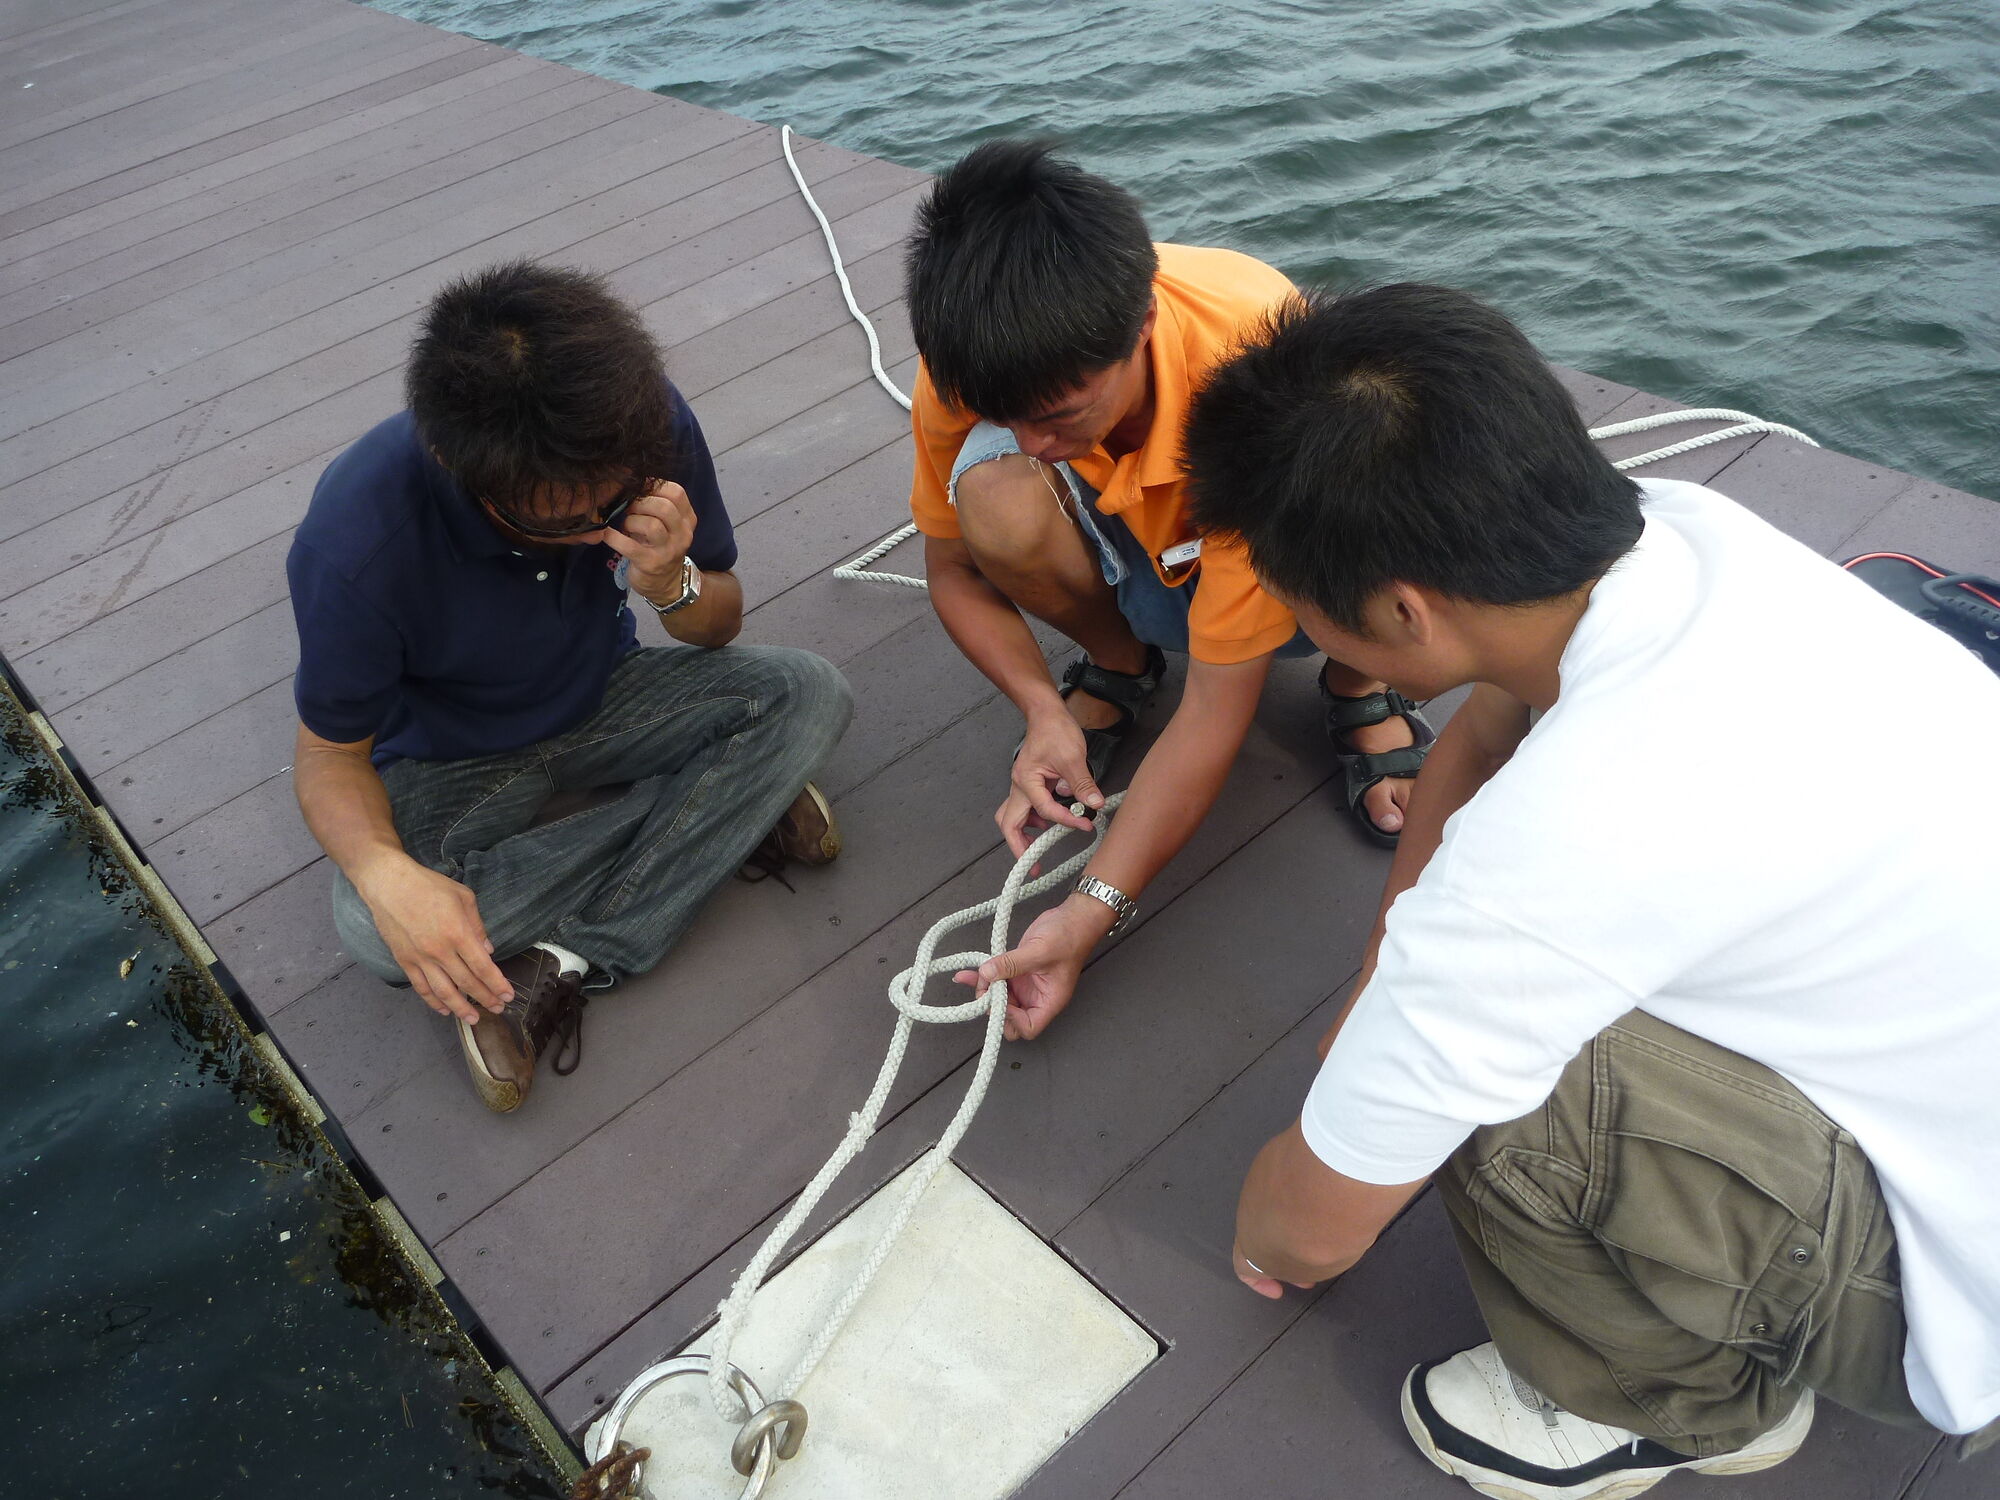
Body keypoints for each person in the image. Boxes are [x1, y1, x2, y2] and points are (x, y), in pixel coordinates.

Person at [1184, 284, 2000, 1498]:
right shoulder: (1680, 535)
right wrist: (1377, 976)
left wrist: (1273, 1219)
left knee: (1511, 1099)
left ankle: (1684, 1406)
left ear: (1399, 610)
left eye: (1286, 590)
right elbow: (1486, 729)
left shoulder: (1546, 863)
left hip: (1948, 1297)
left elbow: (1305, 1231)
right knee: (1443, 1016)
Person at [287, 260, 853, 1114]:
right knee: (373, 928)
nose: (599, 532)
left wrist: (671, 582)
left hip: (606, 688)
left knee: (809, 692)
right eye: (562, 520)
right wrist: (379, 870)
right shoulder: (355, 542)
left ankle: (564, 957)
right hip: (446, 755)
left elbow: (719, 624)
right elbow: (330, 756)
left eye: (615, 507)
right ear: (456, 465)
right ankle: (727, 812)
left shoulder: (642, 423)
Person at [905, 141, 1435, 1042]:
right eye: (1005, 417)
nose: (1031, 445)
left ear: (1144, 320)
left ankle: (1357, 678)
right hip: (1156, 525)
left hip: (1266, 494)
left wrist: (1087, 914)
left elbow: (1217, 710)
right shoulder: (974, 356)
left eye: (1059, 414)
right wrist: (1039, 706)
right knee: (994, 500)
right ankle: (1119, 664)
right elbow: (951, 567)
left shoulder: (1262, 370)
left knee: (1372, 519)